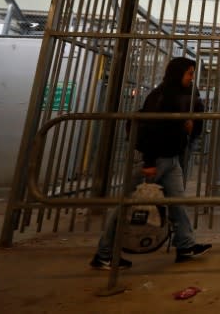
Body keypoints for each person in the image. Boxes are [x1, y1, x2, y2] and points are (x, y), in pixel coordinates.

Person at [90, 56, 212, 269]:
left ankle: (185, 245)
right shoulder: (160, 97)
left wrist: (189, 127)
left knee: (177, 202)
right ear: (178, 73)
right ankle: (104, 254)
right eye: (189, 73)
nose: (192, 78)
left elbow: (184, 121)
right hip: (157, 158)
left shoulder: (182, 94)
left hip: (171, 158)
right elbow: (149, 130)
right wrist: (149, 162)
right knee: (125, 204)